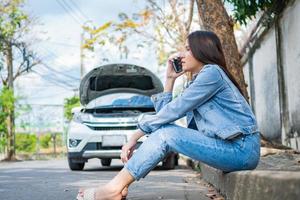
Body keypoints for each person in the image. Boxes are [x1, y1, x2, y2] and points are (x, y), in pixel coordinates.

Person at [76, 30, 261, 200]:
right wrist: (170, 79)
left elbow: (174, 110)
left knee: (166, 134)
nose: (182, 55)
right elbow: (165, 117)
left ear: (202, 50)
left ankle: (113, 189)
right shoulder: (197, 82)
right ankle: (119, 187)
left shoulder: (212, 73)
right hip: (229, 148)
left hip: (241, 149)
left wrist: (135, 135)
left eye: (188, 49)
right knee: (166, 132)